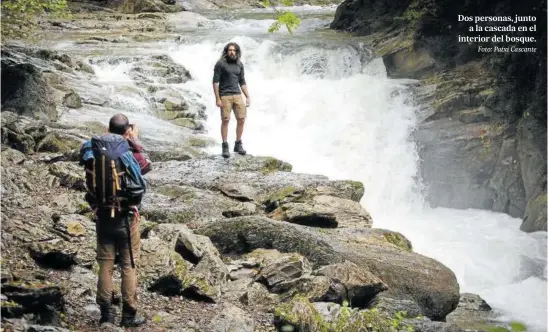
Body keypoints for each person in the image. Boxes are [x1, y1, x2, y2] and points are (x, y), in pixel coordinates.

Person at [79, 114, 150, 327]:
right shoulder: (128, 152)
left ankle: (106, 314)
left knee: (105, 264)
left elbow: (83, 155)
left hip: (102, 214)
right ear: (127, 130)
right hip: (126, 216)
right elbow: (144, 169)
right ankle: (128, 315)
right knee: (129, 265)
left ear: (107, 128)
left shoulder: (92, 147)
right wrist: (133, 141)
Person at [212, 42, 251, 158]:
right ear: (226, 51)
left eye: (234, 50)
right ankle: (224, 146)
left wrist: (248, 96)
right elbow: (215, 82)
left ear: (237, 52)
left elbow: (242, 82)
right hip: (225, 95)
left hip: (237, 95)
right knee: (225, 120)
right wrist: (217, 98)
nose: (232, 52)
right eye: (229, 50)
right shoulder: (220, 64)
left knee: (241, 119)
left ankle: (238, 144)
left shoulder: (239, 64)